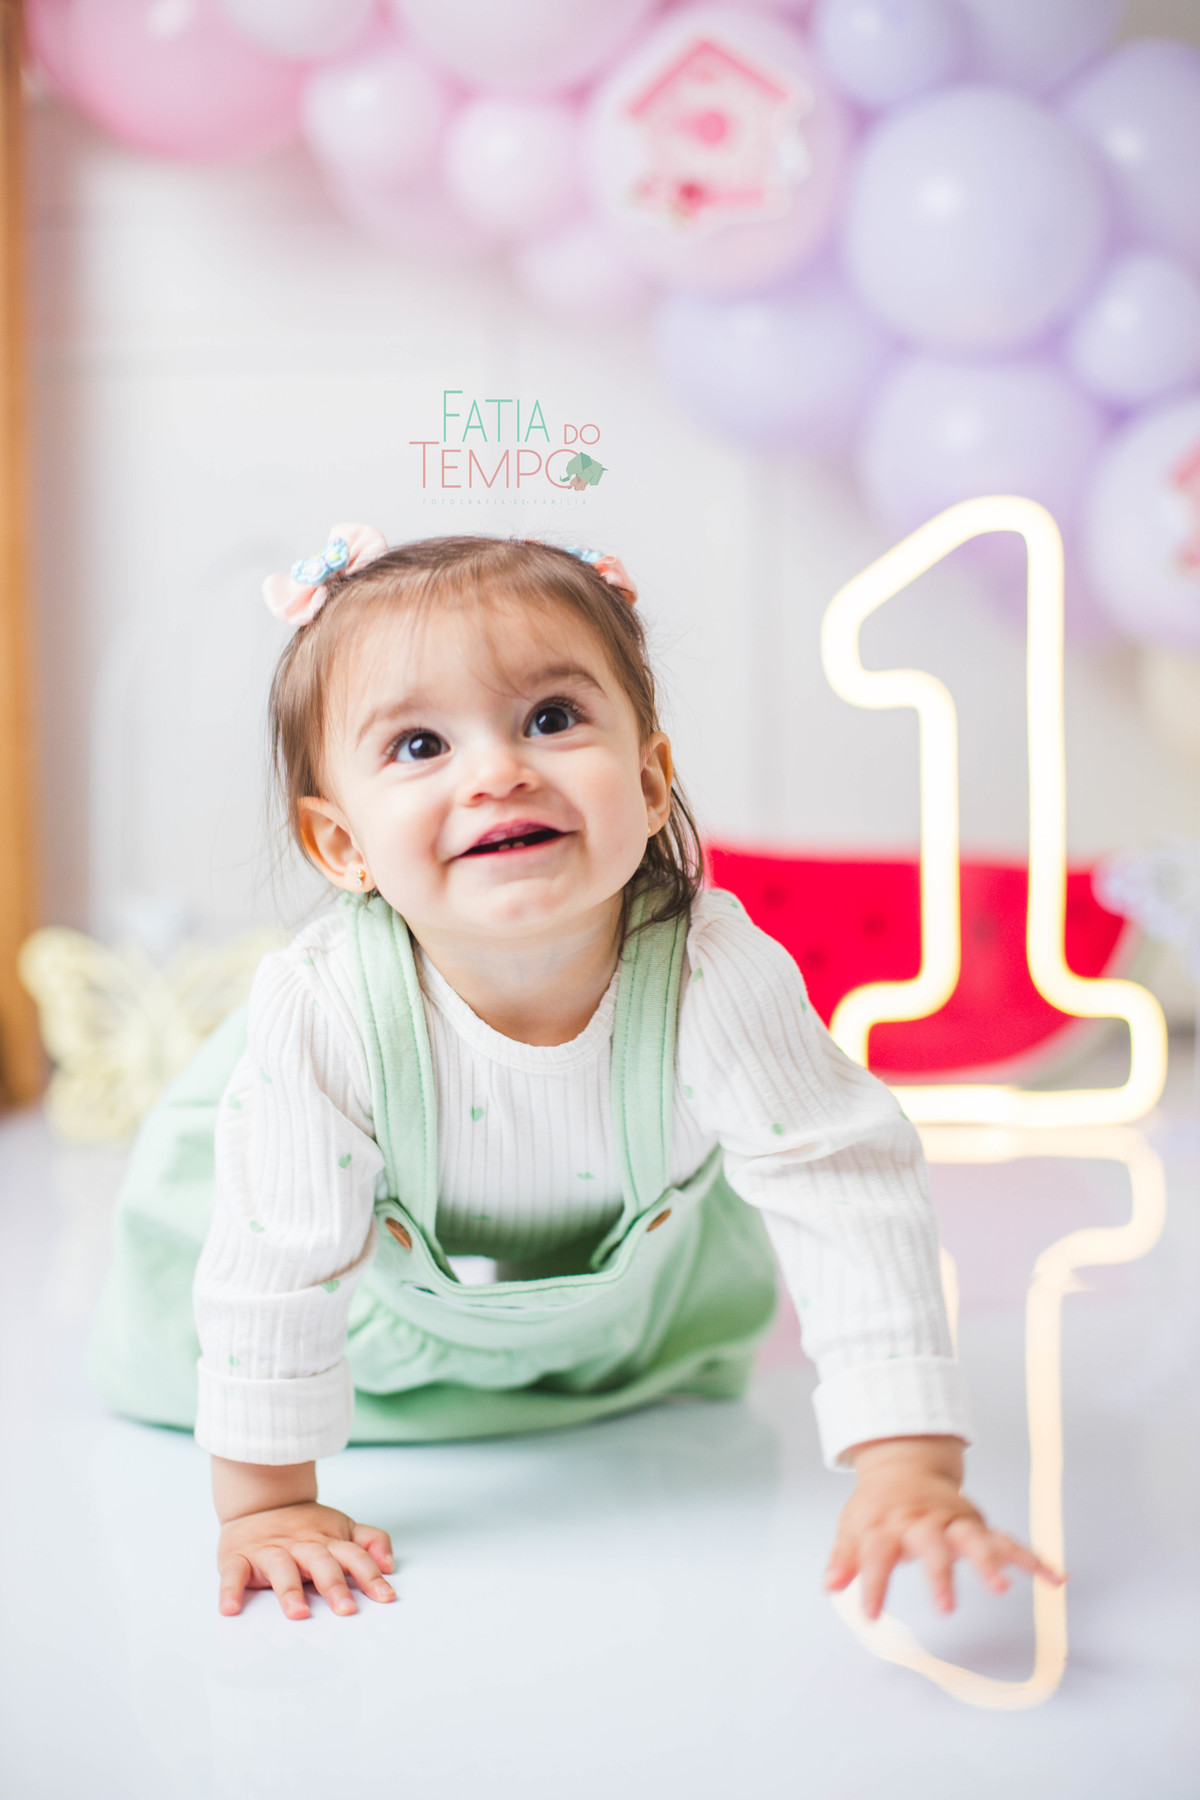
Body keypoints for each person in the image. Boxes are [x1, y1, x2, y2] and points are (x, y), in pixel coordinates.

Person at [88, 525, 1063, 1625]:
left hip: (626, 1345)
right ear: (341, 846)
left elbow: (841, 1183)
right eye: (418, 746)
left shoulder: (713, 970)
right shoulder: (324, 1008)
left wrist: (907, 1467)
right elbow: (282, 1259)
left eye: (551, 719)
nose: (500, 770)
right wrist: (266, 1508)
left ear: (650, 784)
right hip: (366, 1344)